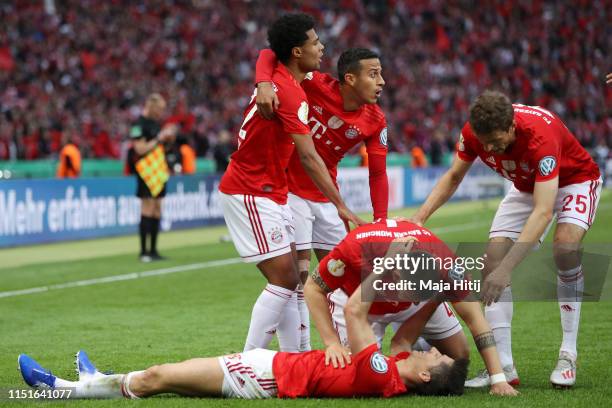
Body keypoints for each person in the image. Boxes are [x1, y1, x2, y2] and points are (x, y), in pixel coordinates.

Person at [411, 91, 602, 388]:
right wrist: (420, 218)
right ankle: (503, 369)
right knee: (491, 262)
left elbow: (542, 211)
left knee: (565, 248)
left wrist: (508, 270)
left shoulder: (541, 136)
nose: (489, 149)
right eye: (484, 142)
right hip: (526, 186)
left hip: (573, 181)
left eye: (496, 141)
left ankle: (568, 354)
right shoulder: (473, 132)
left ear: (512, 126)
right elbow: (453, 177)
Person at [18, 281, 468, 400]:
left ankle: (62, 388)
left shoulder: (378, 374)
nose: (429, 348)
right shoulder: (395, 369)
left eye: (432, 356)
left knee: (159, 377)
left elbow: (353, 310)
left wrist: (388, 262)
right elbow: (405, 334)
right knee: (167, 377)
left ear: (424, 373)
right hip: (267, 366)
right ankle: (98, 381)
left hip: (262, 379)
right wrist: (438, 292)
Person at [218, 13, 363, 353]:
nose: (322, 47)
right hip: (250, 190)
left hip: (273, 192)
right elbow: (310, 159)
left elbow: (267, 53)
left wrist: (262, 81)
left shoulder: (286, 78)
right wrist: (341, 205)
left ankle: (295, 357)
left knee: (294, 282)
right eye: (315, 42)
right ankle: (247, 360)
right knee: (284, 279)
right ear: (297, 51)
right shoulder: (290, 94)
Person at [256, 47, 388, 351]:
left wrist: (380, 222)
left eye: (381, 73)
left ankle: (354, 348)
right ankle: (297, 354)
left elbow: (378, 175)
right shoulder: (314, 82)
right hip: (289, 192)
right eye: (374, 74)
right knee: (299, 277)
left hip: (327, 197)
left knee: (347, 275)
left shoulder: (376, 120)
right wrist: (263, 83)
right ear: (350, 78)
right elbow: (269, 54)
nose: (382, 81)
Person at [304, 218, 518, 396]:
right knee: (358, 375)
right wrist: (331, 343)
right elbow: (313, 289)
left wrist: (498, 379)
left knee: (457, 358)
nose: (412, 301)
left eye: (418, 297)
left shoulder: (447, 266)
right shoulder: (355, 249)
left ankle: (414, 350)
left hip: (418, 299)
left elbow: (475, 319)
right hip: (358, 302)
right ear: (395, 274)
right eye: (409, 295)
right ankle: (411, 350)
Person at [127, 93, 177, 263]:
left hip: (158, 172)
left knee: (157, 208)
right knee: (147, 208)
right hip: (145, 172)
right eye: (160, 109)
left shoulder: (156, 124)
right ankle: (144, 251)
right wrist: (159, 138)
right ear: (152, 106)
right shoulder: (138, 125)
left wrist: (168, 140)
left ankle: (154, 250)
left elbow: (161, 147)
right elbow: (140, 149)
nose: (161, 113)